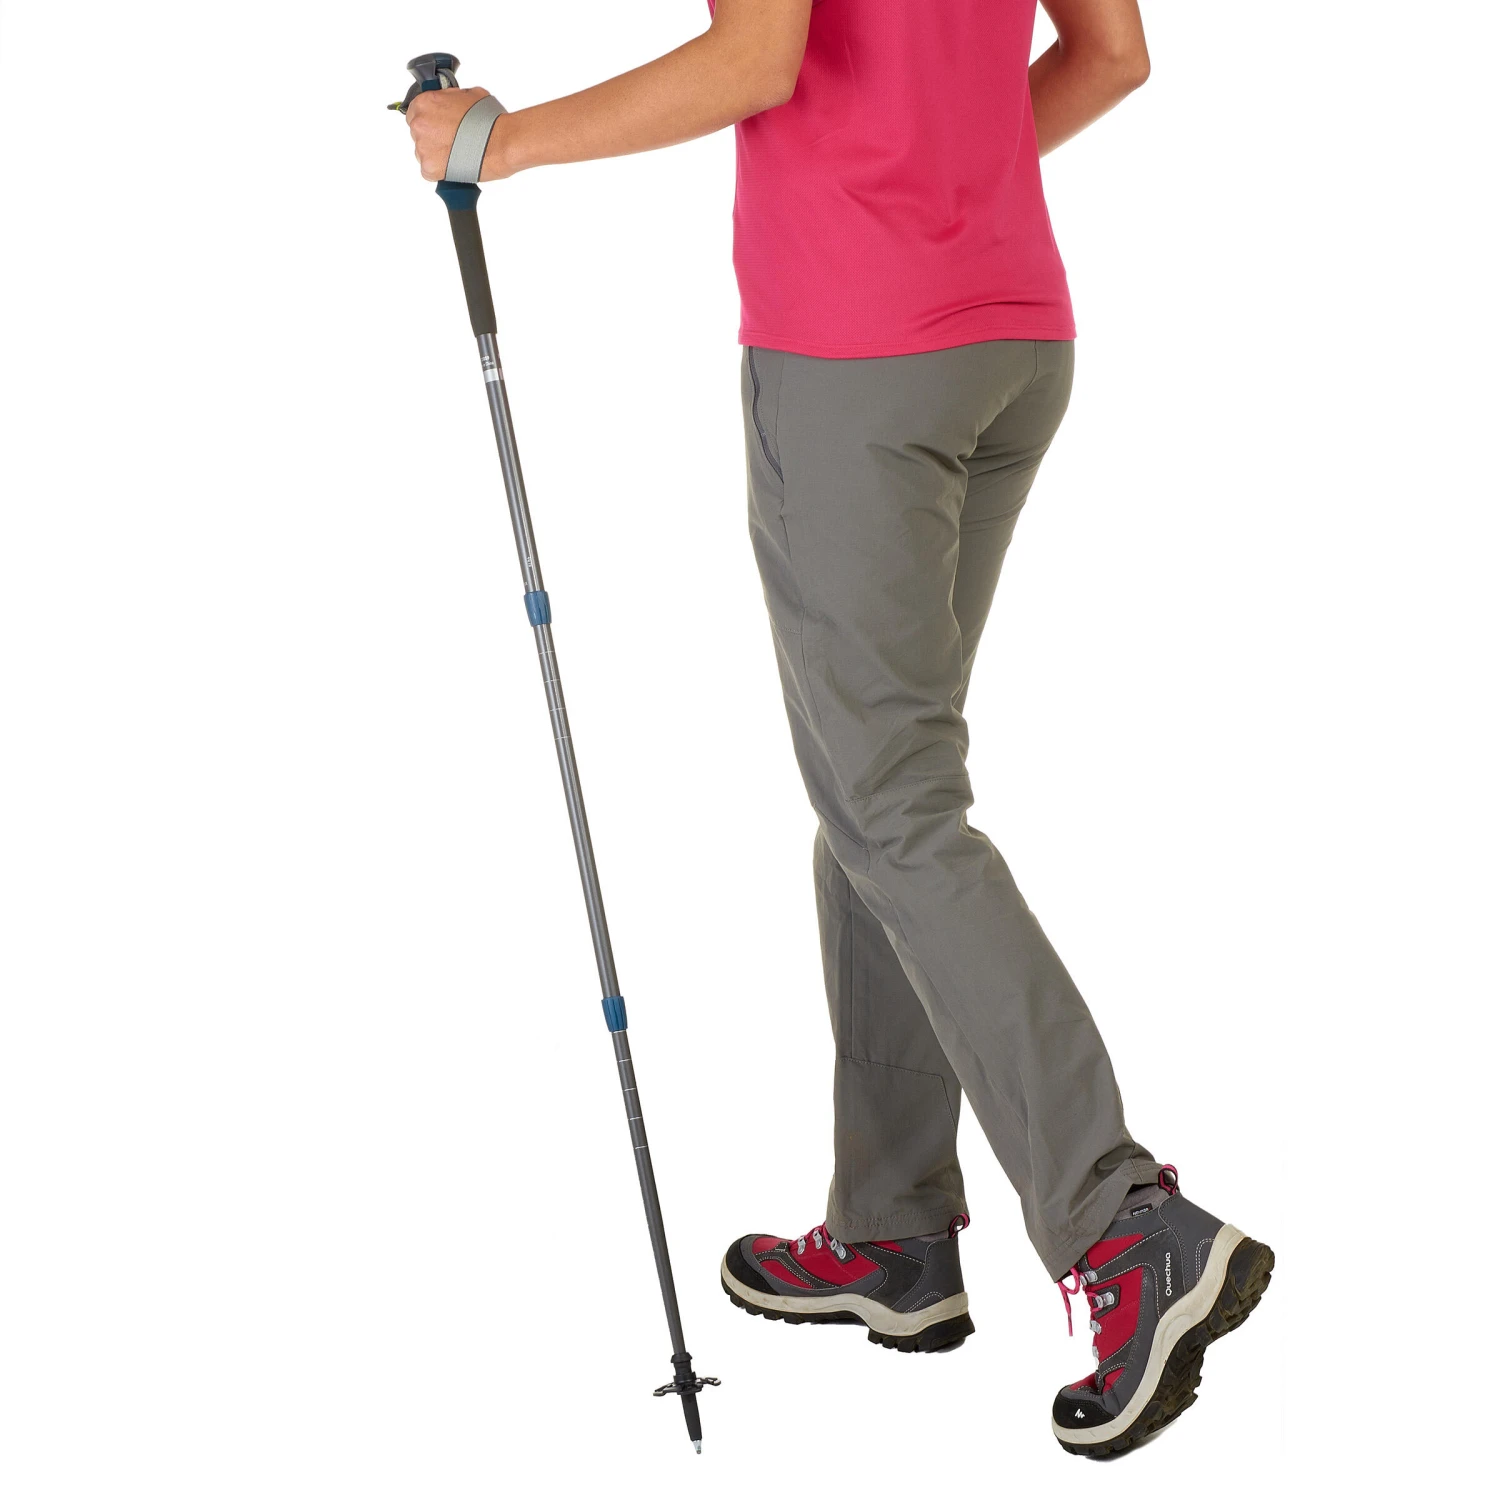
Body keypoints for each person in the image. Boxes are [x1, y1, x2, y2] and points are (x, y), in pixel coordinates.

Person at [408, 0, 1272, 1458]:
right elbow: (1113, 54)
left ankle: (1123, 1221)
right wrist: (948, 176)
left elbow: (758, 59)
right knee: (875, 797)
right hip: (1010, 337)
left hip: (857, 354)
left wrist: (502, 144)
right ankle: (895, 1232)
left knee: (892, 805)